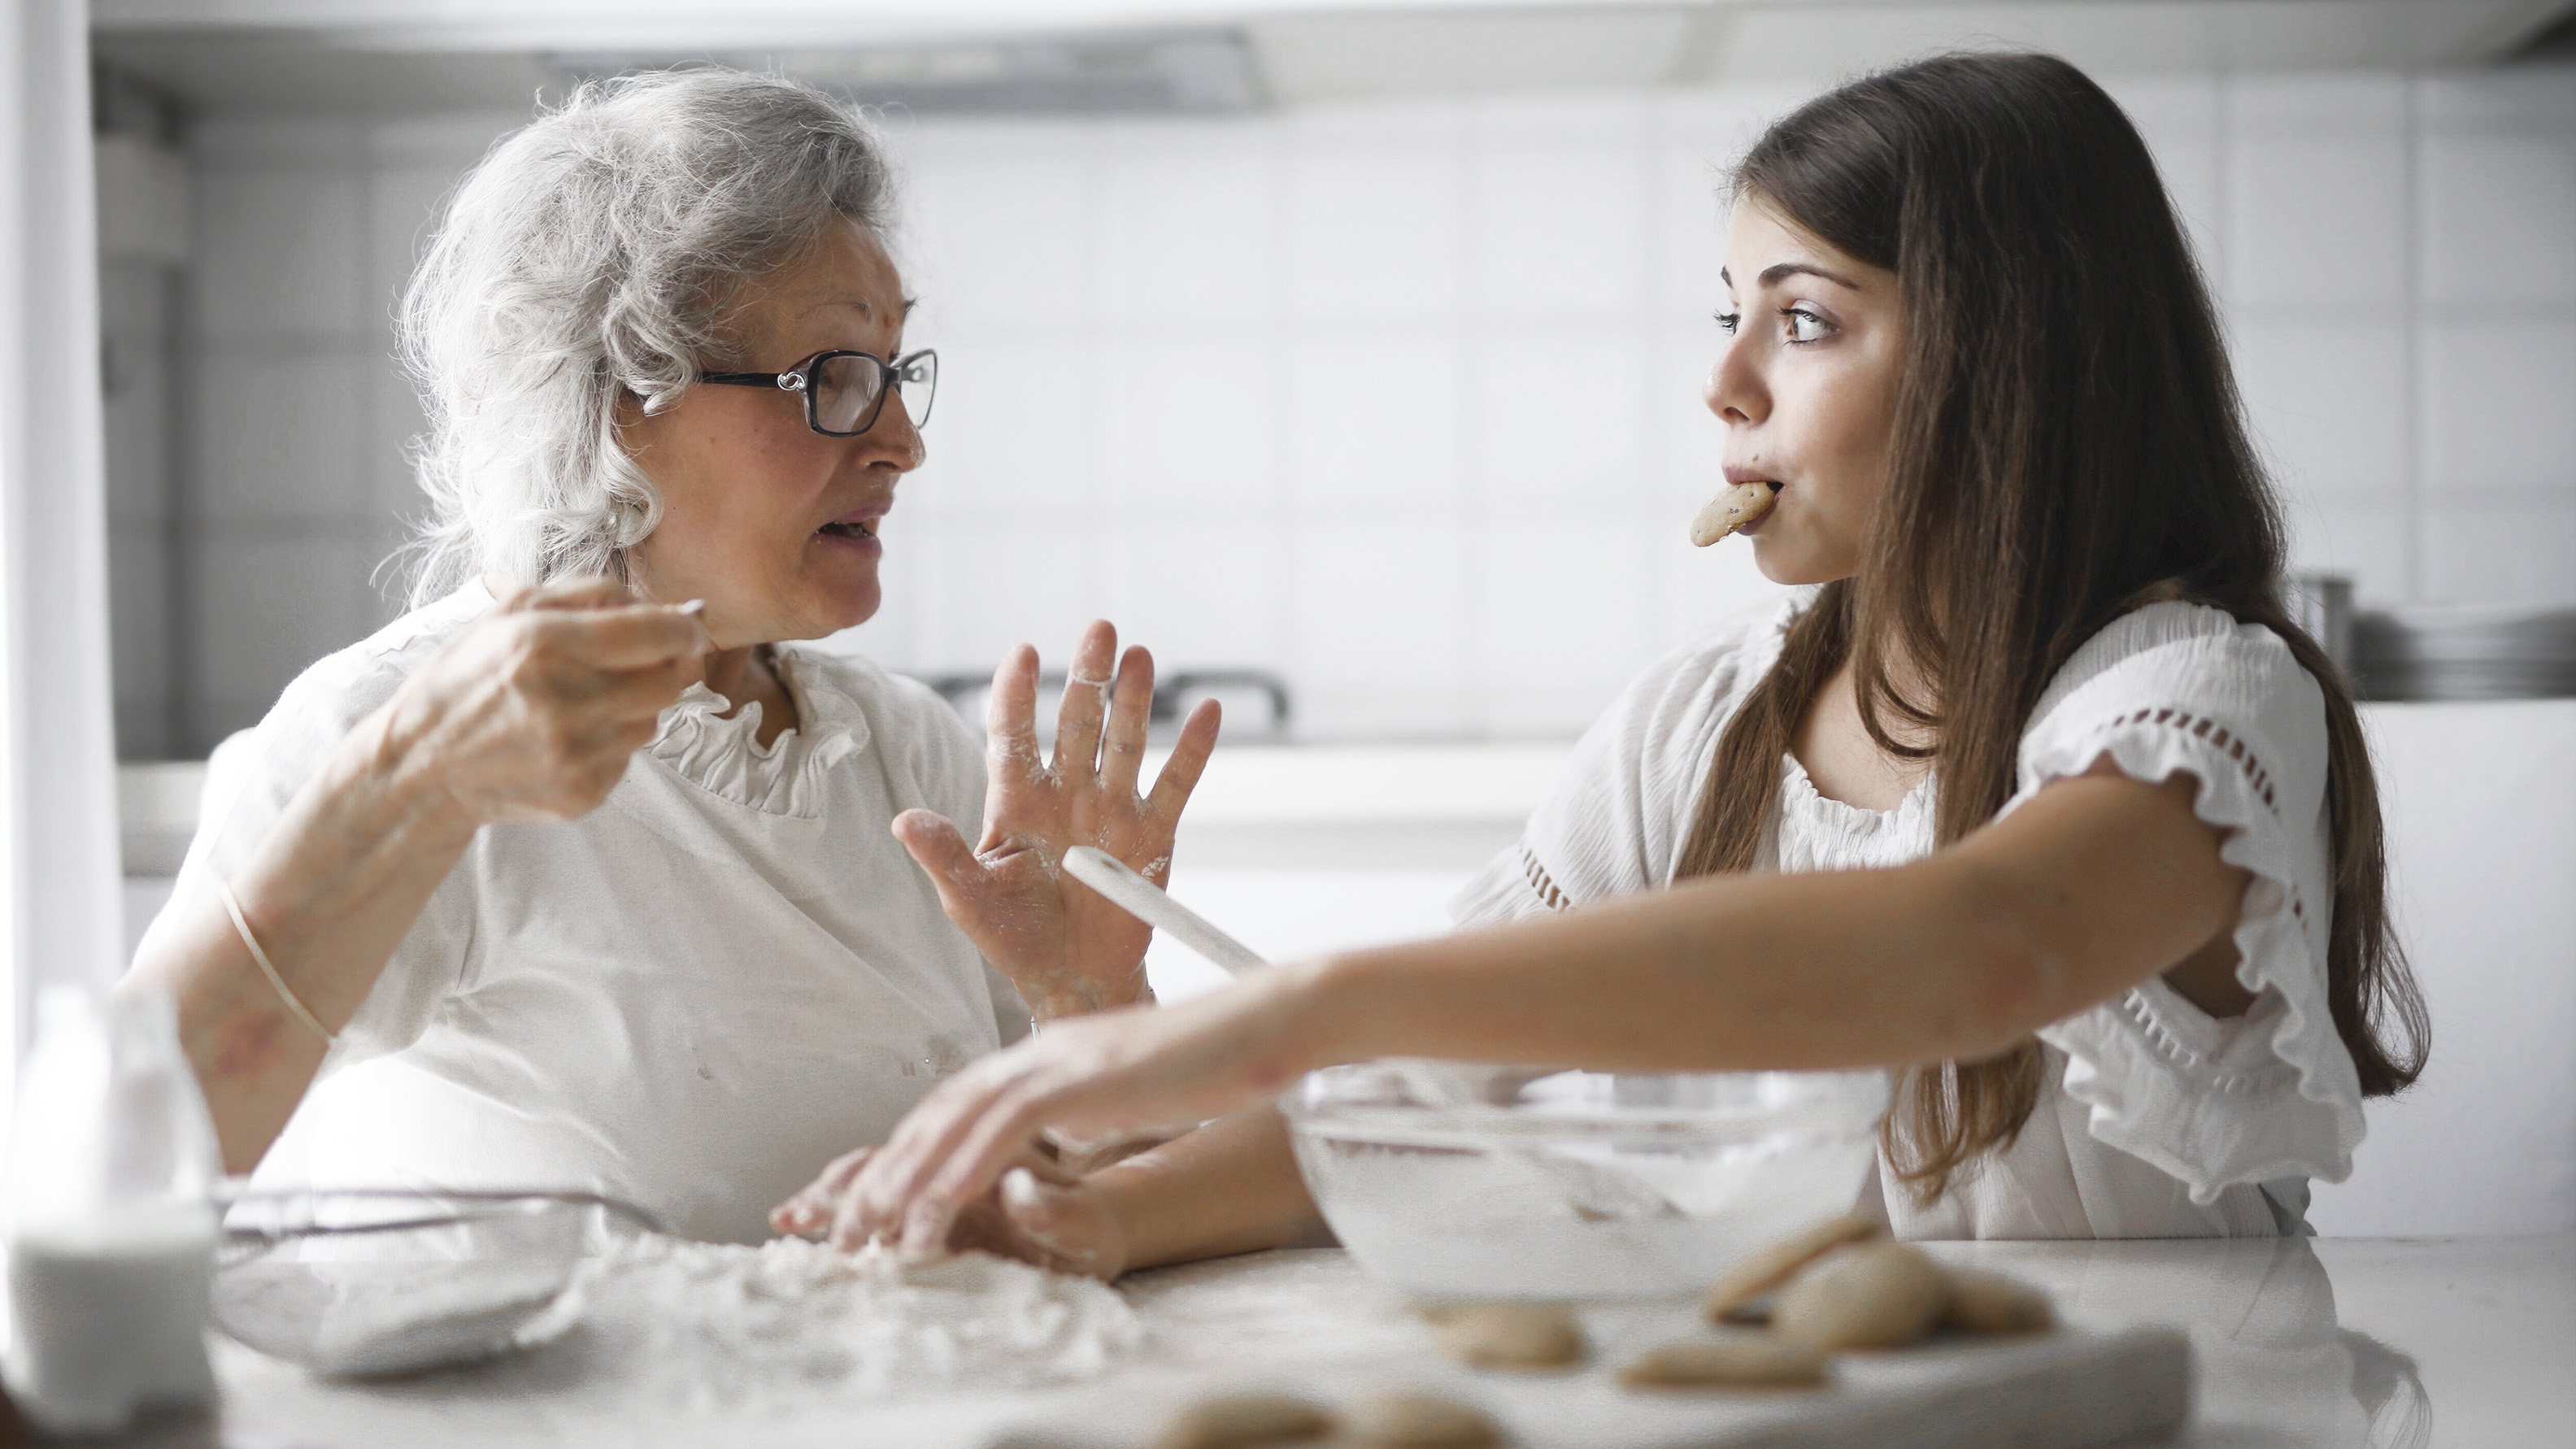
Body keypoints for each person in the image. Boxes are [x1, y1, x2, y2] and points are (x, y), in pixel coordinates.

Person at [781, 51, 2431, 1268]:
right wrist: (1096, 1219)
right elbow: (1426, 1098)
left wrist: (1312, 997)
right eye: (1727, 312)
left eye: (1802, 318)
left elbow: (1975, 948)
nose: (1722, 384)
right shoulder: (1698, 728)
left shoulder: (2197, 705)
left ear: (2012, 363)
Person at [121, 69, 1217, 1244]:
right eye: (832, 379)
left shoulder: (907, 755)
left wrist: (1091, 1006)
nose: (902, 442)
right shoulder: (395, 729)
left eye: (896, 373)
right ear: (611, 402)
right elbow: (125, 1159)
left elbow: (1076, 1220)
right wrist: (406, 790)